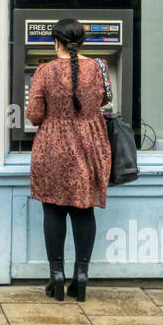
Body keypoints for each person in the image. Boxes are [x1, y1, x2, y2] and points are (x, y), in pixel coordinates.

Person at [25, 18, 112, 301]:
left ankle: (56, 275)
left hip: (52, 144)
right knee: (84, 209)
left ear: (56, 42)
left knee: (53, 210)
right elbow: (101, 104)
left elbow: (35, 115)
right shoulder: (100, 68)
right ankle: (82, 276)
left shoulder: (44, 71)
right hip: (90, 142)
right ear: (82, 42)